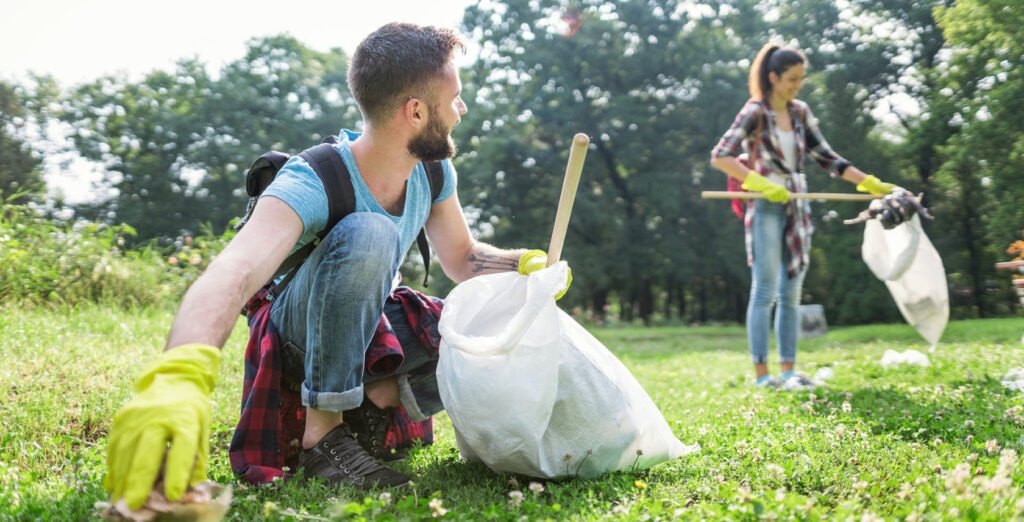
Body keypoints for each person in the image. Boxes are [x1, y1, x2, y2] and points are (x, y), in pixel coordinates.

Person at [104, 22, 571, 510]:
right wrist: (179, 373)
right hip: (294, 335)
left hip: (364, 328)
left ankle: (371, 411)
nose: (462, 108)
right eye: (454, 97)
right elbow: (234, 271)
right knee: (370, 232)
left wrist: (527, 265)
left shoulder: (432, 170)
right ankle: (322, 441)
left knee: (470, 322)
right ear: (415, 112)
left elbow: (462, 258)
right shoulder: (315, 176)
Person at [709, 42, 899, 388]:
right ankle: (762, 375)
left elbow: (828, 157)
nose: (798, 84)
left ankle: (788, 370)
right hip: (765, 204)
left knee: (791, 293)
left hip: (797, 205)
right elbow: (721, 156)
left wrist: (867, 183)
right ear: (773, 78)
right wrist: (759, 182)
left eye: (801, 78)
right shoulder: (754, 111)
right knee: (765, 290)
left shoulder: (800, 113)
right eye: (792, 78)